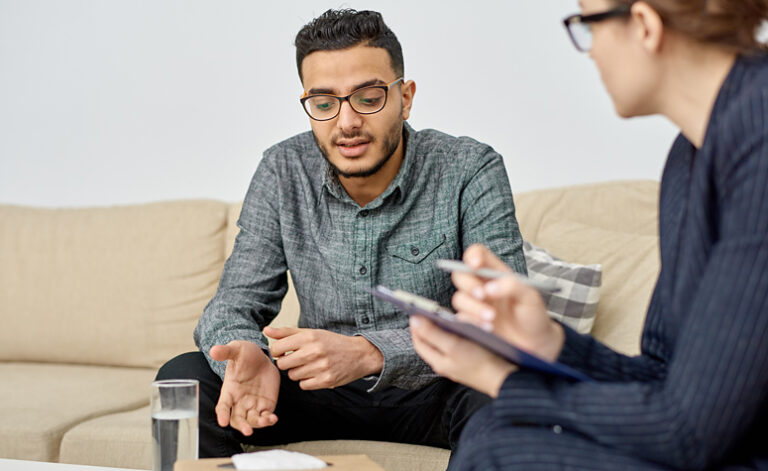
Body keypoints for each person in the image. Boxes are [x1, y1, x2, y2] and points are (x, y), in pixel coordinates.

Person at [410, 0, 768, 469]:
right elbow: (660, 376)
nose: (591, 52)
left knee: (503, 448)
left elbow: (687, 431)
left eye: (588, 25)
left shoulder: (758, 138)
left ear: (644, 25)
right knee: (493, 428)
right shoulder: (688, 157)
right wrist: (550, 343)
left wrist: (501, 379)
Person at [155, 8, 528, 458]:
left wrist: (371, 351)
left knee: (508, 392)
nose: (346, 123)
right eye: (325, 102)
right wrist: (248, 353)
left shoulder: (470, 168)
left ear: (405, 98)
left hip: (437, 388)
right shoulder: (282, 170)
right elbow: (233, 305)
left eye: (368, 98)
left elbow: (503, 325)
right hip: (316, 390)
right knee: (185, 379)